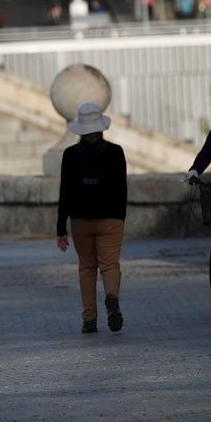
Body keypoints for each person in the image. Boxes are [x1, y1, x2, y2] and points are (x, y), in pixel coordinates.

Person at [55, 103, 127, 334]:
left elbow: (64, 191)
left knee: (87, 267)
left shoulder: (70, 155)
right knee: (110, 264)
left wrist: (60, 227)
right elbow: (122, 188)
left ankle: (89, 319)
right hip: (111, 218)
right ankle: (112, 298)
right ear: (101, 128)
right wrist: (119, 217)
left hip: (80, 219)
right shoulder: (116, 152)